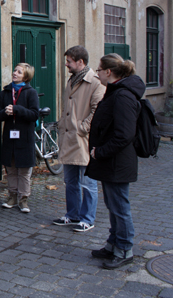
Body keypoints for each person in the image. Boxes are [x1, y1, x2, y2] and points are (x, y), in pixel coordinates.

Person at [86, 54, 144, 269]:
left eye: (99, 70)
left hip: (117, 162)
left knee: (120, 206)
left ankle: (125, 249)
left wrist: (100, 152)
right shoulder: (115, 92)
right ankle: (113, 244)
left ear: (108, 72)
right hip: (111, 162)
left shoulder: (122, 96)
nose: (97, 73)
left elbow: (124, 135)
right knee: (113, 205)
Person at [53, 46, 105, 232]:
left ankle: (87, 219)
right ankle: (72, 215)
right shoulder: (71, 81)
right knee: (70, 181)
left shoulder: (96, 83)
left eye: (69, 61)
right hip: (69, 139)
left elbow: (97, 111)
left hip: (83, 140)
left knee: (88, 183)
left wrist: (82, 129)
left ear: (80, 62)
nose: (66, 64)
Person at [0, 63, 39, 213]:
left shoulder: (31, 92)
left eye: (19, 72)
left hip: (24, 138)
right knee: (11, 169)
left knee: (24, 171)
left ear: (26, 76)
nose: (15, 73)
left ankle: (23, 199)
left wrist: (17, 110)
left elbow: (34, 114)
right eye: (15, 70)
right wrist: (5, 113)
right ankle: (12, 196)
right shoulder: (5, 92)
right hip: (9, 137)